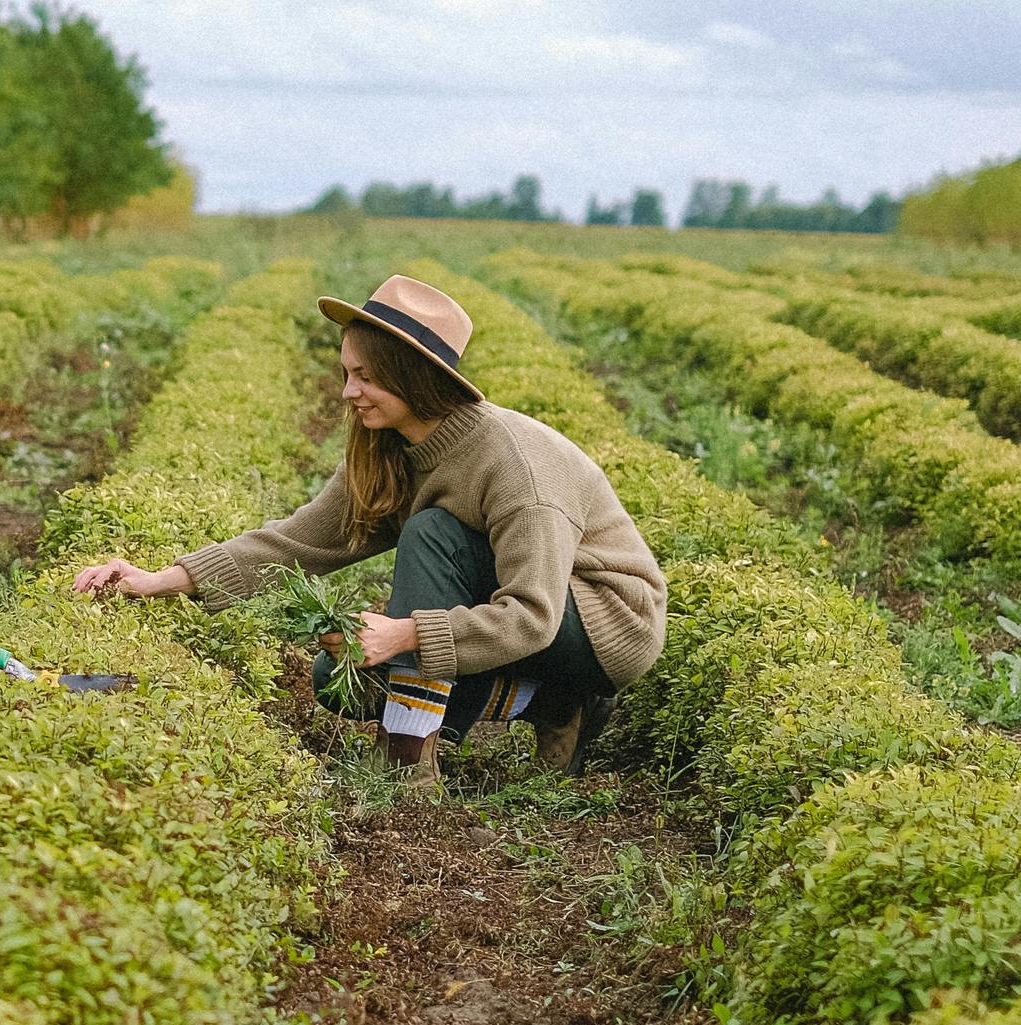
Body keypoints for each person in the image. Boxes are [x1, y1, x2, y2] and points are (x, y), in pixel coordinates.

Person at [73, 275, 667, 788]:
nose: (347, 392)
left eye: (365, 377)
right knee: (338, 681)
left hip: (600, 622)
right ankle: (555, 704)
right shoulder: (391, 447)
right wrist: (161, 580)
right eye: (346, 373)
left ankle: (408, 762)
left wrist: (406, 633)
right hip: (527, 615)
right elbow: (301, 540)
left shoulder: (514, 468)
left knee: (431, 534)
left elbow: (533, 614)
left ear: (413, 379)